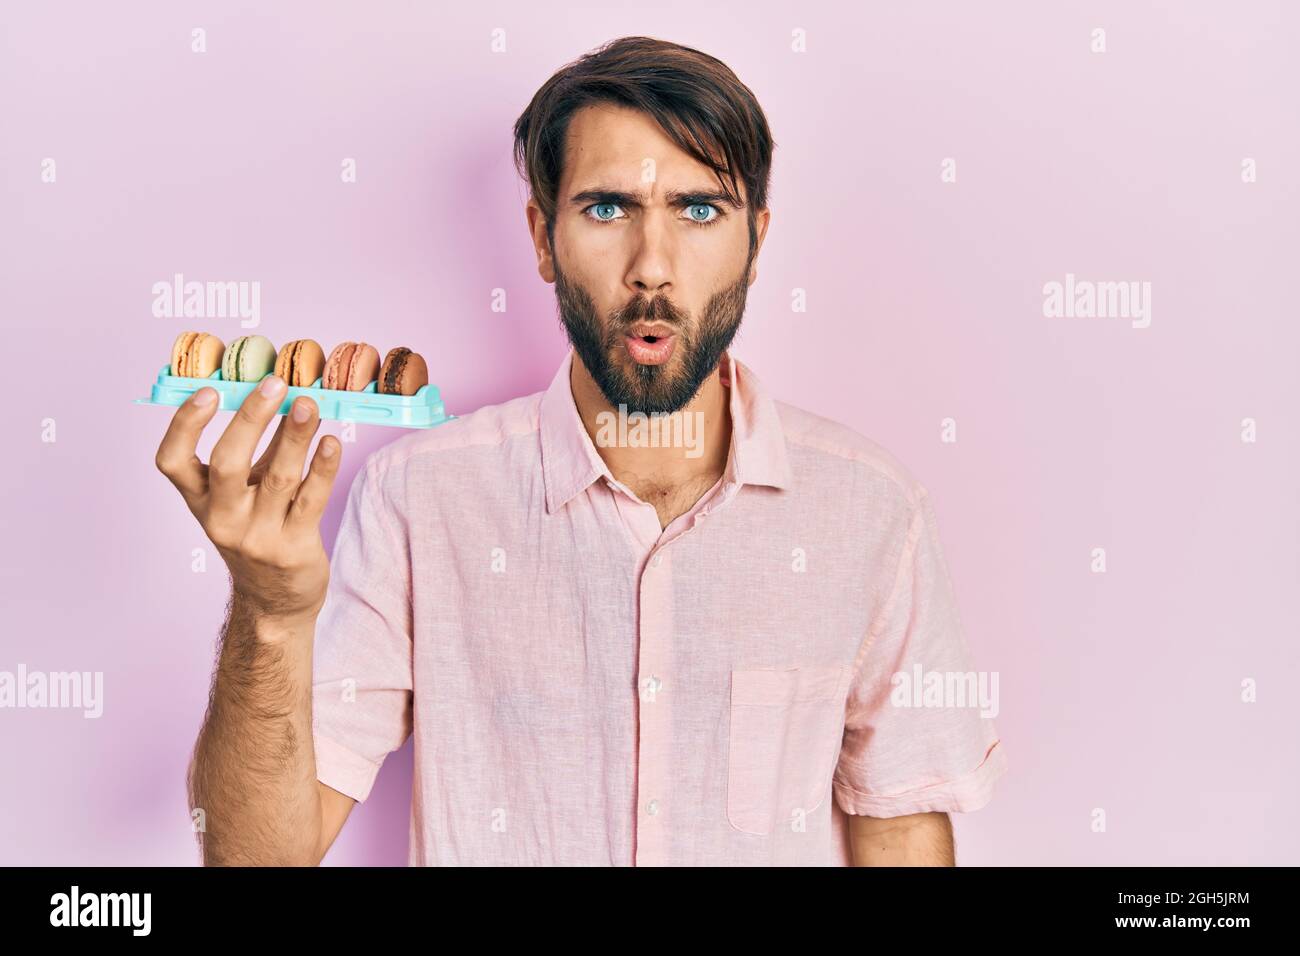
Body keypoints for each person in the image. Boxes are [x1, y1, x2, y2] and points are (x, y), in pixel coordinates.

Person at [156, 35, 1006, 867]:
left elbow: (896, 829)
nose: (653, 267)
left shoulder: (870, 510)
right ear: (541, 239)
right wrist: (270, 613)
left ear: (756, 244)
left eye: (699, 209)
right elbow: (253, 857)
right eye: (607, 209)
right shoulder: (418, 499)